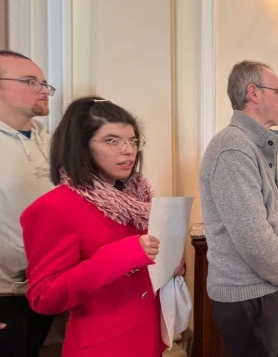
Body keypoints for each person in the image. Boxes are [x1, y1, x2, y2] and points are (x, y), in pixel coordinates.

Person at [20, 97, 184, 357]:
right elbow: (44, 297)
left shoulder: (137, 200)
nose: (128, 150)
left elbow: (144, 267)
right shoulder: (55, 207)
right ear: (81, 146)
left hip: (149, 338)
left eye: (132, 141)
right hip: (104, 346)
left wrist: (171, 263)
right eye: (112, 141)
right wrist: (117, 258)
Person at [199, 60, 278, 357]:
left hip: (263, 287)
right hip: (246, 294)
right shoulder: (233, 147)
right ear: (253, 93)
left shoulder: (254, 144)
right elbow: (253, 235)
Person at [0, 50, 56, 357]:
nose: (44, 89)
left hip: (44, 286)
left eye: (45, 83)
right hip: (3, 293)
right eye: (31, 81)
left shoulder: (50, 143)